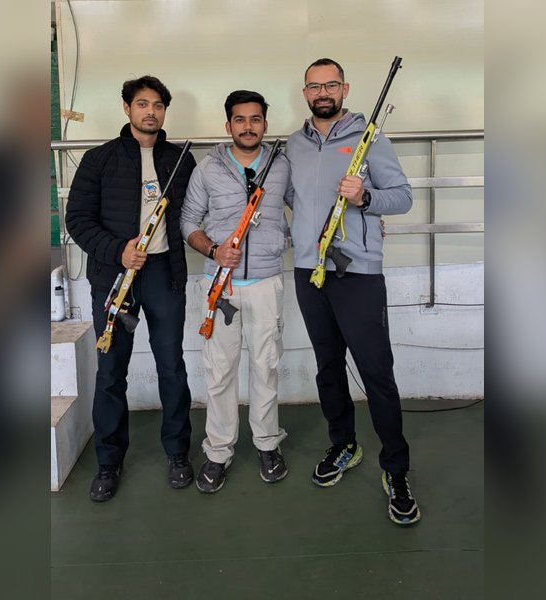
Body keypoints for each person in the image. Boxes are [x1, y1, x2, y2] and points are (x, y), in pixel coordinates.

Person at [285, 58, 422, 525]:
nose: (323, 92)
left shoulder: (371, 140)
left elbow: (402, 197)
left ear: (345, 88)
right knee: (327, 367)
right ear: (305, 93)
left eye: (331, 84)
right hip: (309, 271)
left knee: (376, 372)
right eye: (314, 85)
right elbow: (291, 199)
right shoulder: (293, 147)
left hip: (358, 274)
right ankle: (344, 444)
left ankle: (396, 468)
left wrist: (365, 198)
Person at [65, 75, 197, 501]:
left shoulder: (181, 160)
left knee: (171, 367)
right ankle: (108, 462)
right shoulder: (99, 159)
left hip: (164, 274)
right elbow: (78, 221)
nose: (151, 112)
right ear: (127, 108)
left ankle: (178, 453)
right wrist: (117, 250)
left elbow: (197, 213)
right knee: (110, 373)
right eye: (143, 104)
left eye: (158, 105)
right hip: (113, 276)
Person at [181, 90, 291, 493]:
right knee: (220, 371)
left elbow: (307, 207)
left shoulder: (282, 166)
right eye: (240, 120)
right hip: (219, 287)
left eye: (256, 119)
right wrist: (213, 249)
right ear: (228, 126)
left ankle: (267, 443)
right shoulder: (207, 169)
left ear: (265, 123)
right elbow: (187, 221)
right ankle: (218, 451)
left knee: (266, 366)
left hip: (266, 282)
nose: (248, 126)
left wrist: (361, 219)